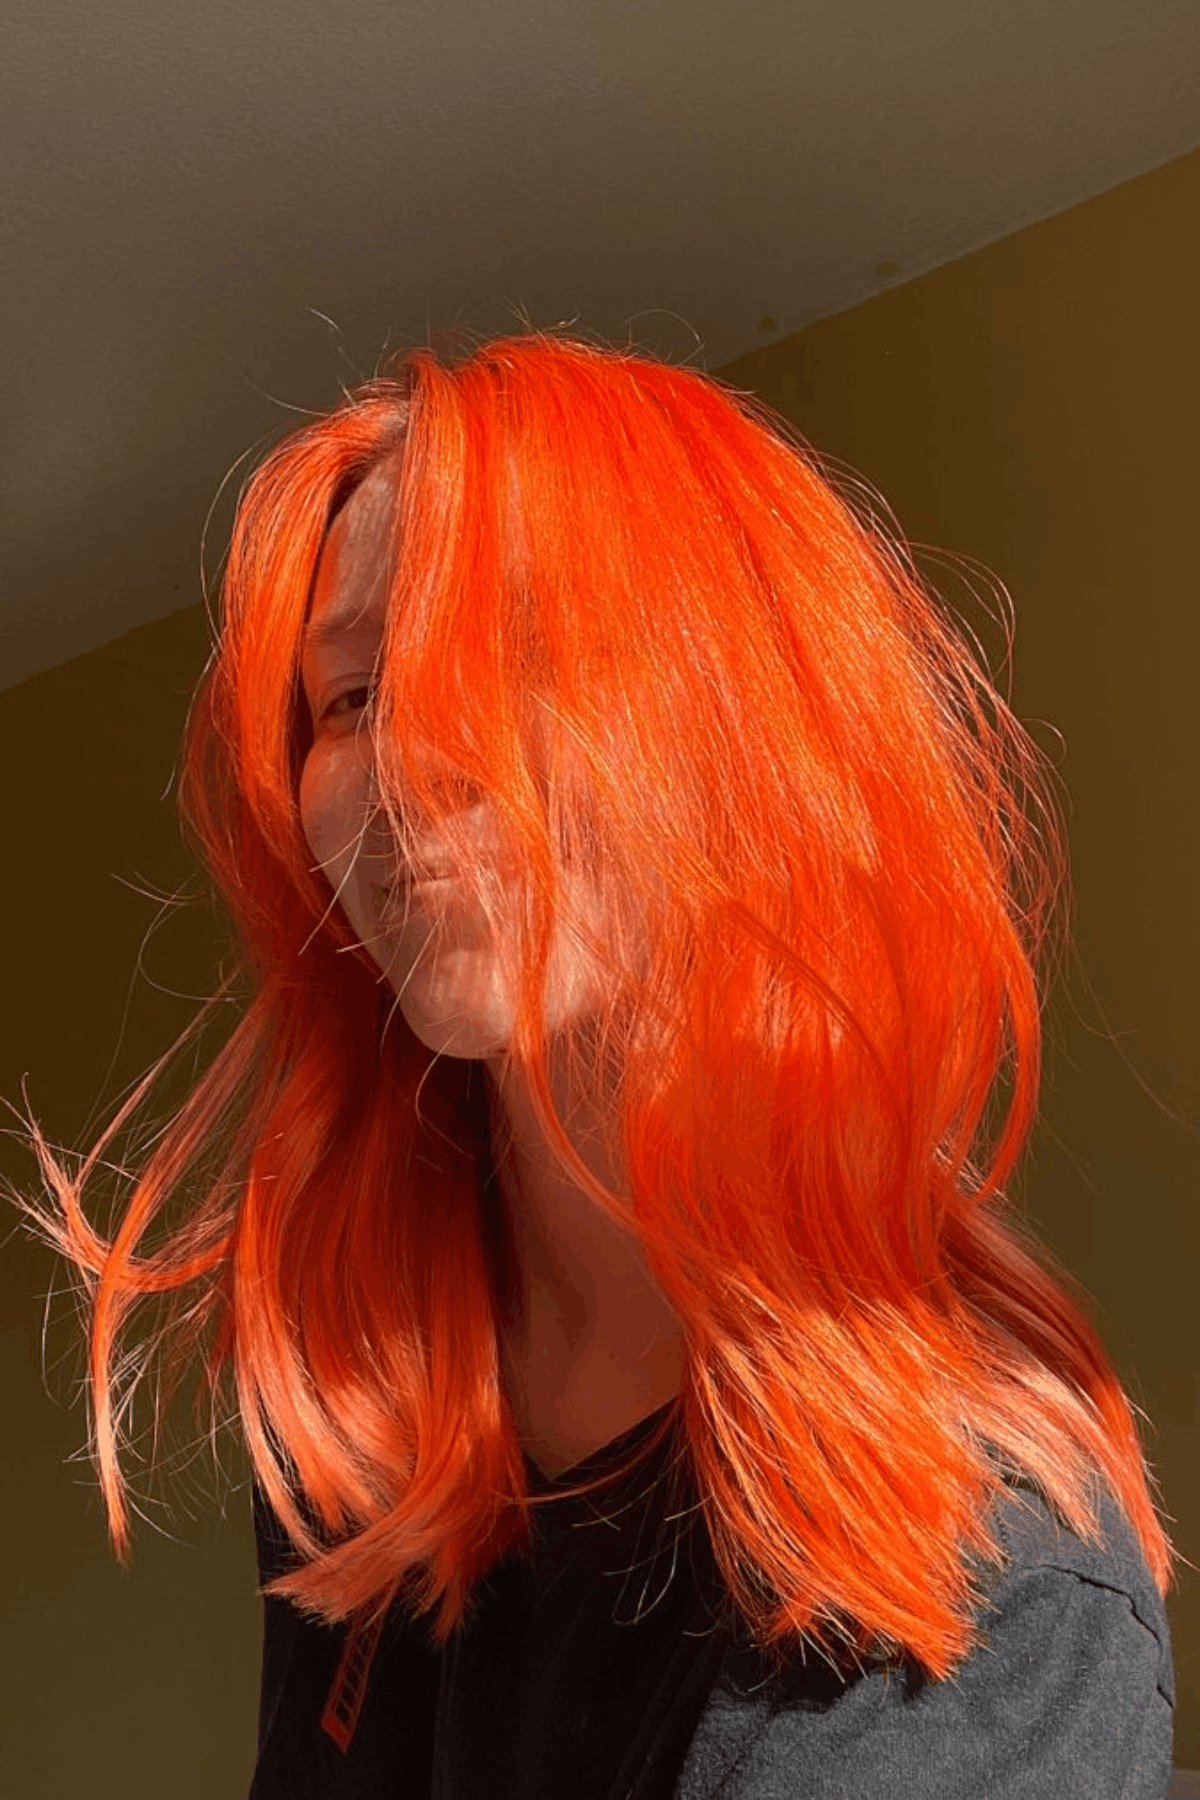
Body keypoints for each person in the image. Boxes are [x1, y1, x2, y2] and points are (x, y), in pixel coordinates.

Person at [4, 327, 1178, 1796]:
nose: (417, 753)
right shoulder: (364, 1429)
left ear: (747, 720)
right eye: (353, 695)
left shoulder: (978, 1558)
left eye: (515, 653)